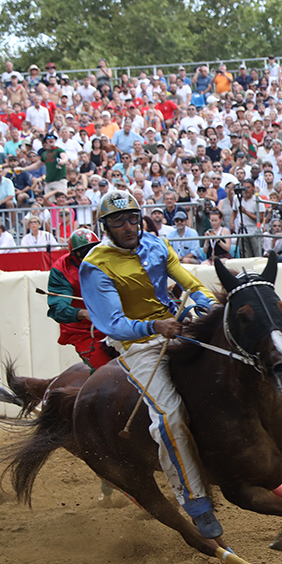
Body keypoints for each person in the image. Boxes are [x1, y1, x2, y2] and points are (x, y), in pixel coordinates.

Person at [78, 190, 221, 537]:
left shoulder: (157, 245)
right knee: (168, 416)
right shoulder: (94, 265)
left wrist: (209, 304)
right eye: (117, 221)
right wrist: (153, 326)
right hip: (137, 345)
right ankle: (195, 499)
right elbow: (111, 323)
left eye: (132, 218)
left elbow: (188, 280)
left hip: (177, 326)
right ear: (106, 226)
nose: (127, 226)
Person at [47, 229, 118, 369]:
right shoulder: (62, 270)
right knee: (104, 369)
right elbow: (58, 309)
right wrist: (86, 314)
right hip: (84, 331)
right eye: (84, 251)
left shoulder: (108, 259)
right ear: (74, 254)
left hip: (115, 321)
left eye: (93, 249)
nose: (90, 254)